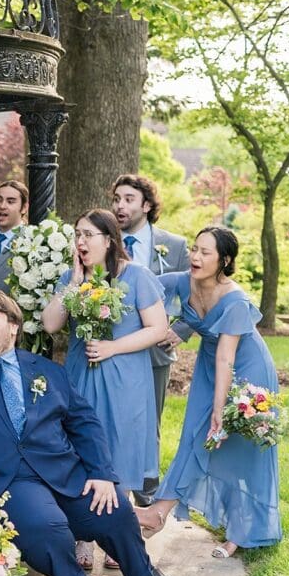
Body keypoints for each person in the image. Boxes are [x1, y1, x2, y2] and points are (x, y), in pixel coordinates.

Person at [0, 290, 193, 576]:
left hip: (62, 470)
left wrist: (101, 473)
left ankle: (140, 574)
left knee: (116, 510)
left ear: (13, 326)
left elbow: (84, 422)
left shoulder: (46, 370)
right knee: (48, 529)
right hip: (10, 480)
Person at [135, 227, 282, 559]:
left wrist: (219, 408)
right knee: (194, 437)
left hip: (246, 372)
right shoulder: (183, 282)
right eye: (194, 249)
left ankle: (243, 532)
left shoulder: (236, 301)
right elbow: (142, 286)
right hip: (210, 366)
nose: (196, 258)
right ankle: (158, 512)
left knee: (240, 451)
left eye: (206, 253)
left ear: (224, 260)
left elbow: (227, 356)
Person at [42, 208, 168, 570]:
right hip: (82, 377)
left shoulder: (137, 276)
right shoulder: (71, 277)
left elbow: (158, 328)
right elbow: (50, 324)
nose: (80, 241)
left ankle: (118, 534)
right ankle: (83, 537)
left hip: (125, 377)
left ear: (109, 240)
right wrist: (73, 281)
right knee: (83, 451)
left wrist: (114, 346)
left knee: (120, 449)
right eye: (77, 234)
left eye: (88, 235)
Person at [111, 174, 191, 506]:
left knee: (149, 421)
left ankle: (146, 492)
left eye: (128, 199)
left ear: (146, 205)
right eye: (116, 198)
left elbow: (196, 293)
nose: (120, 205)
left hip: (156, 349)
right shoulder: (104, 240)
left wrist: (181, 329)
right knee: (114, 418)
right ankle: (112, 484)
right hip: (113, 348)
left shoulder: (173, 246)